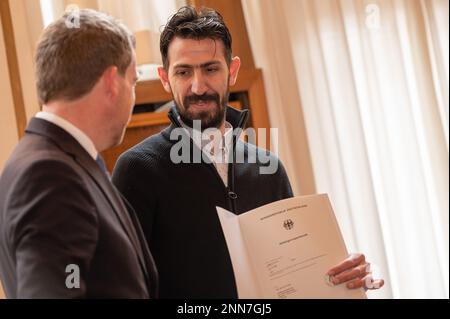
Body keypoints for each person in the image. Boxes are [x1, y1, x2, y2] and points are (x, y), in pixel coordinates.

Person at [112, 6, 383, 298]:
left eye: (211, 68)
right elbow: (118, 286)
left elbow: (294, 279)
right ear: (166, 78)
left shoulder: (269, 168)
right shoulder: (138, 169)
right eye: (183, 71)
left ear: (233, 70)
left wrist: (338, 279)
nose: (198, 86)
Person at [0, 9, 158, 298]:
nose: (133, 97)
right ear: (112, 82)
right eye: (133, 81)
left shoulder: (56, 159)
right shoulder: (49, 176)